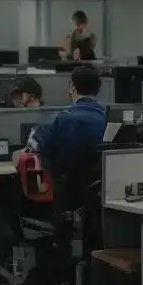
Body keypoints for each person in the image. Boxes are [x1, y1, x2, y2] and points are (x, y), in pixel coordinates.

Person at [31, 66, 107, 204]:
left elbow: (38, 148)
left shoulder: (60, 119)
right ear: (97, 90)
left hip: (65, 192)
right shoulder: (108, 117)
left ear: (72, 87)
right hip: (98, 192)